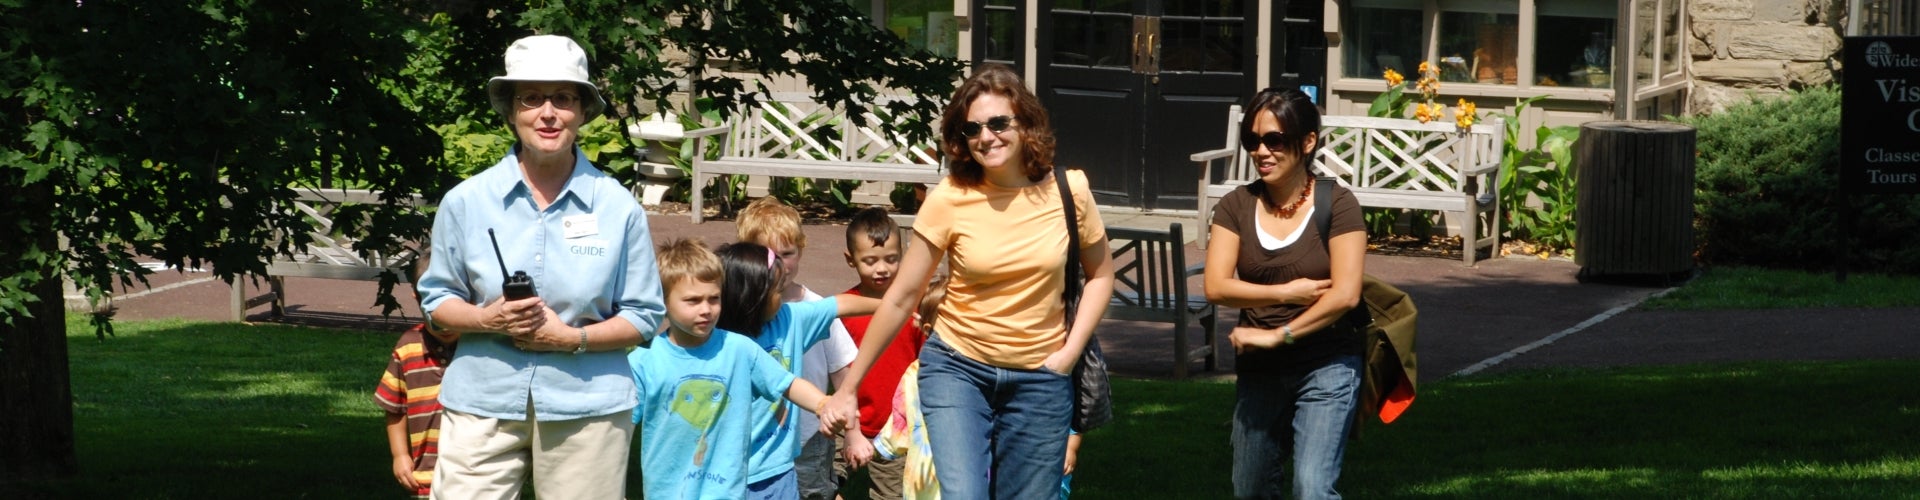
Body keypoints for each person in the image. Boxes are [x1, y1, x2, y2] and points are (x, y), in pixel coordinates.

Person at [818, 63, 1118, 500]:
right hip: (958, 369)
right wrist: (847, 389)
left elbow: (1101, 275)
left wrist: (1069, 355)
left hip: (1041, 376)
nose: (986, 137)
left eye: (998, 123)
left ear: (1027, 124)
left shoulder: (1070, 190)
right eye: (972, 128)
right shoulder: (950, 197)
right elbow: (902, 298)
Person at [416, 35, 664, 500]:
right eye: (531, 98)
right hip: (482, 400)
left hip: (588, 406)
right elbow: (437, 302)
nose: (547, 113)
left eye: (564, 98)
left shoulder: (618, 207)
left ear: (583, 112)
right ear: (511, 111)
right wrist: (486, 318)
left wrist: (572, 339)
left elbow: (645, 315)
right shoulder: (466, 202)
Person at [1202, 87, 1366, 499]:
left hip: (1327, 363)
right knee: (1251, 490)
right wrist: (1285, 294)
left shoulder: (1339, 205)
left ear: (1307, 141)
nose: (1261, 151)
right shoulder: (1236, 206)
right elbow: (1216, 285)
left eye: (1274, 140)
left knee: (1312, 488)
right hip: (1261, 369)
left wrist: (1281, 333)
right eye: (1252, 140)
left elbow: (1345, 294)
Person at [628, 238, 838, 500]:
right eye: (692, 301)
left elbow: (788, 384)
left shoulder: (739, 349)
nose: (706, 309)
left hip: (728, 493)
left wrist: (823, 404)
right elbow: (619, 432)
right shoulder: (644, 362)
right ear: (663, 302)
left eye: (713, 299)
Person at [712, 242, 881, 499]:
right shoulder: (717, 341)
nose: (784, 296)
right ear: (751, 296)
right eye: (777, 291)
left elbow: (839, 305)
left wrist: (892, 306)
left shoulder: (789, 318)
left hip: (778, 468)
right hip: (726, 470)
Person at [735, 197, 861, 500]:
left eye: (788, 253)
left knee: (813, 493)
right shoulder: (736, 310)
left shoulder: (815, 307)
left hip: (809, 433)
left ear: (801, 250)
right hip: (753, 436)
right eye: (768, 255)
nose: (779, 264)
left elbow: (844, 371)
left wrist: (853, 431)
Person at [832, 207, 927, 500]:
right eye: (870, 261)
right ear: (851, 259)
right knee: (820, 483)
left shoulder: (914, 308)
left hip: (896, 426)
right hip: (847, 419)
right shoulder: (844, 308)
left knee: (891, 494)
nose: (881, 268)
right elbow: (831, 365)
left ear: (904, 254)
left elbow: (925, 366)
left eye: (891, 259)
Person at [375, 251, 460, 499]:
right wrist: (400, 456)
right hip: (426, 474)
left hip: (476, 470)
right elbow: (394, 407)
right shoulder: (408, 346)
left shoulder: (480, 348)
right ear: (417, 296)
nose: (444, 325)